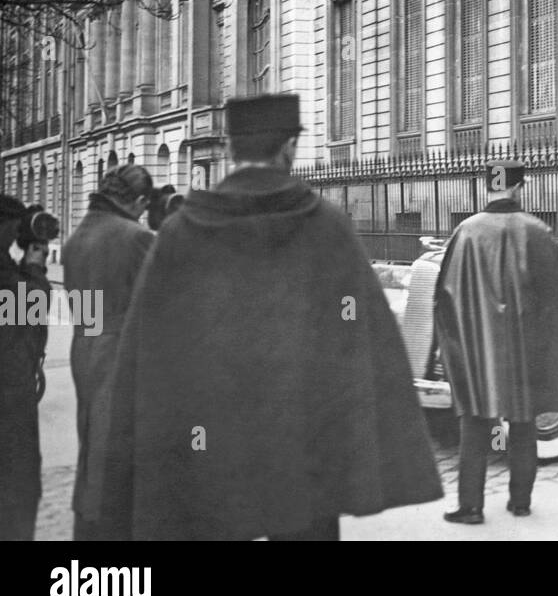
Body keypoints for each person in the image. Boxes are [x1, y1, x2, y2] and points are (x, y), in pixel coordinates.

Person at [95, 93, 442, 539]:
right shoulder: (326, 226)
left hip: (211, 448)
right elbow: (361, 335)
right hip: (304, 450)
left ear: (233, 149)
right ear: (288, 148)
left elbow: (153, 345)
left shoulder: (182, 232)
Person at [434, 159, 558, 525]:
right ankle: (521, 501)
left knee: (476, 426)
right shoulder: (539, 231)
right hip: (524, 348)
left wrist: (456, 348)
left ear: (487, 187)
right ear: (519, 187)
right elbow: (555, 300)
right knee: (523, 423)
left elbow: (444, 299)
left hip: (480, 350)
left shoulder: (466, 232)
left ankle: (471, 506)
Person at [61, 164, 156, 541]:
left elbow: (84, 309)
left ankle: (89, 528)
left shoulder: (74, 240)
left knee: (93, 449)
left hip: (85, 351)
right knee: (125, 459)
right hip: (123, 354)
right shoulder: (137, 238)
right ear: (139, 202)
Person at [0, 195, 52, 540]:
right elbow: (29, 318)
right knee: (18, 488)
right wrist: (34, 268)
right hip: (9, 394)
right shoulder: (6, 276)